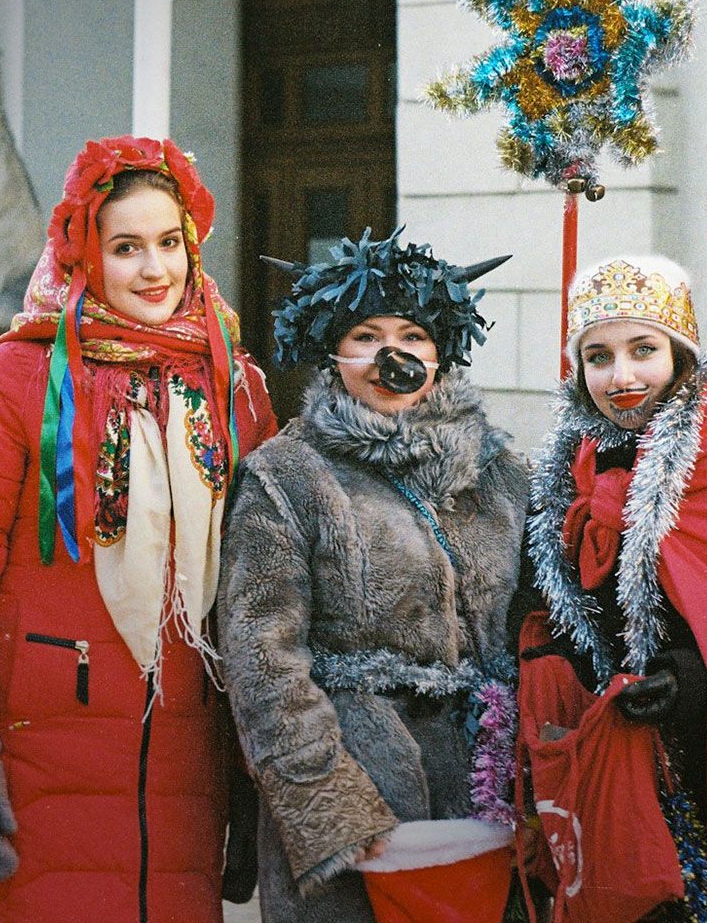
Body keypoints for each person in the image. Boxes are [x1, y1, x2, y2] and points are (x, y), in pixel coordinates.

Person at [0, 137, 277, 920]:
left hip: (189, 743)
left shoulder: (235, 382)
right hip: (40, 747)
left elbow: (265, 585)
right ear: (85, 253)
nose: (155, 270)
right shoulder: (19, 377)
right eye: (126, 248)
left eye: (169, 243)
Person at [216, 232, 524, 922]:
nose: (394, 355)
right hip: (358, 809)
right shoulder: (287, 475)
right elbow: (262, 660)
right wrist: (334, 812)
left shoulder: (501, 471)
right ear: (334, 349)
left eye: (414, 334)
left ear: (441, 351)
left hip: (483, 806)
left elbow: (534, 623)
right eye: (367, 334)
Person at [519, 255, 707, 921]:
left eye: (643, 350)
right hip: (607, 770)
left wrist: (694, 682)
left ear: (682, 354)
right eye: (598, 357)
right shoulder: (573, 459)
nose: (621, 376)